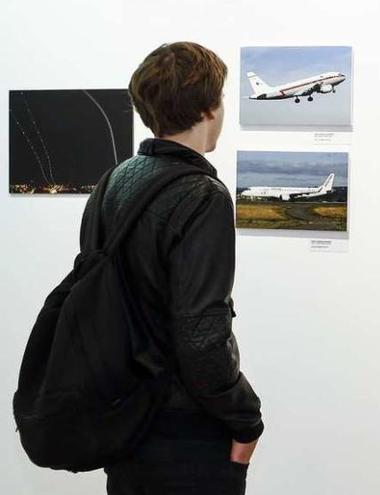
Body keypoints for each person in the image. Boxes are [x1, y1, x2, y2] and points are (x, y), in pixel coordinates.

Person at [89, 42, 264, 494]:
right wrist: (246, 419)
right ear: (209, 107)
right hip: (185, 430)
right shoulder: (202, 194)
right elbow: (201, 335)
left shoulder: (114, 180)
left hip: (126, 419)